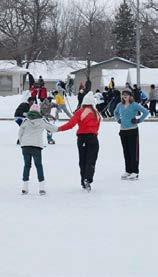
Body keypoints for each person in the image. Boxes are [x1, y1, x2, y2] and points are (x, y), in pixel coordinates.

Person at [58, 91, 101, 191]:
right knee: (91, 160)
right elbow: (97, 127)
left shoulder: (80, 111)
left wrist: (58, 129)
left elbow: (70, 124)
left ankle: (83, 180)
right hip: (93, 138)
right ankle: (88, 178)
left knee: (83, 160)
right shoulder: (97, 113)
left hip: (82, 139)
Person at [18, 104, 58, 195]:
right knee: (38, 165)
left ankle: (25, 188)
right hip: (36, 146)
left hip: (26, 146)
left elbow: (20, 133)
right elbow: (52, 128)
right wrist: (61, 128)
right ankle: (41, 188)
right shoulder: (42, 121)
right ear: (38, 111)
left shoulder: (25, 121)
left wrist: (22, 143)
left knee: (26, 165)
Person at [114, 89, 149, 180]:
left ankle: (135, 172)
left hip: (133, 131)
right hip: (123, 131)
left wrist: (138, 120)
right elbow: (115, 112)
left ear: (130, 96)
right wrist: (118, 119)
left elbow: (146, 112)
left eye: (126, 94)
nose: (124, 96)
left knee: (133, 151)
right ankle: (128, 170)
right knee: (126, 151)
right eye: (123, 94)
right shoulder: (120, 105)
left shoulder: (134, 105)